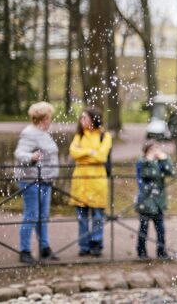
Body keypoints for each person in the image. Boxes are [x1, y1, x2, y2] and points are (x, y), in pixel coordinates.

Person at [14, 102, 59, 264]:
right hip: (31, 181)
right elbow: (19, 153)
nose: (51, 120)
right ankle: (24, 250)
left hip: (45, 180)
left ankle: (44, 248)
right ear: (44, 118)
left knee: (43, 216)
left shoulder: (43, 133)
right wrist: (31, 158)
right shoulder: (30, 133)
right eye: (49, 117)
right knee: (31, 215)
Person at [69, 107, 112, 257]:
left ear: (94, 119)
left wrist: (84, 155)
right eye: (81, 118)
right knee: (81, 216)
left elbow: (101, 157)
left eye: (85, 118)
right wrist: (89, 152)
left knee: (98, 215)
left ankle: (96, 243)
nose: (82, 121)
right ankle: (83, 244)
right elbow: (73, 152)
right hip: (81, 181)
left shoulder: (104, 136)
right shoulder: (79, 136)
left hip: (96, 181)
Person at [135, 140, 173, 260]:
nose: (155, 152)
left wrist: (165, 158)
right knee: (144, 228)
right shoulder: (142, 162)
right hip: (146, 200)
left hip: (158, 201)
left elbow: (169, 171)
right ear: (146, 151)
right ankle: (141, 252)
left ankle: (161, 251)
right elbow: (147, 174)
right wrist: (150, 161)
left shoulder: (159, 162)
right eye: (152, 150)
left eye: (157, 149)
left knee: (160, 228)